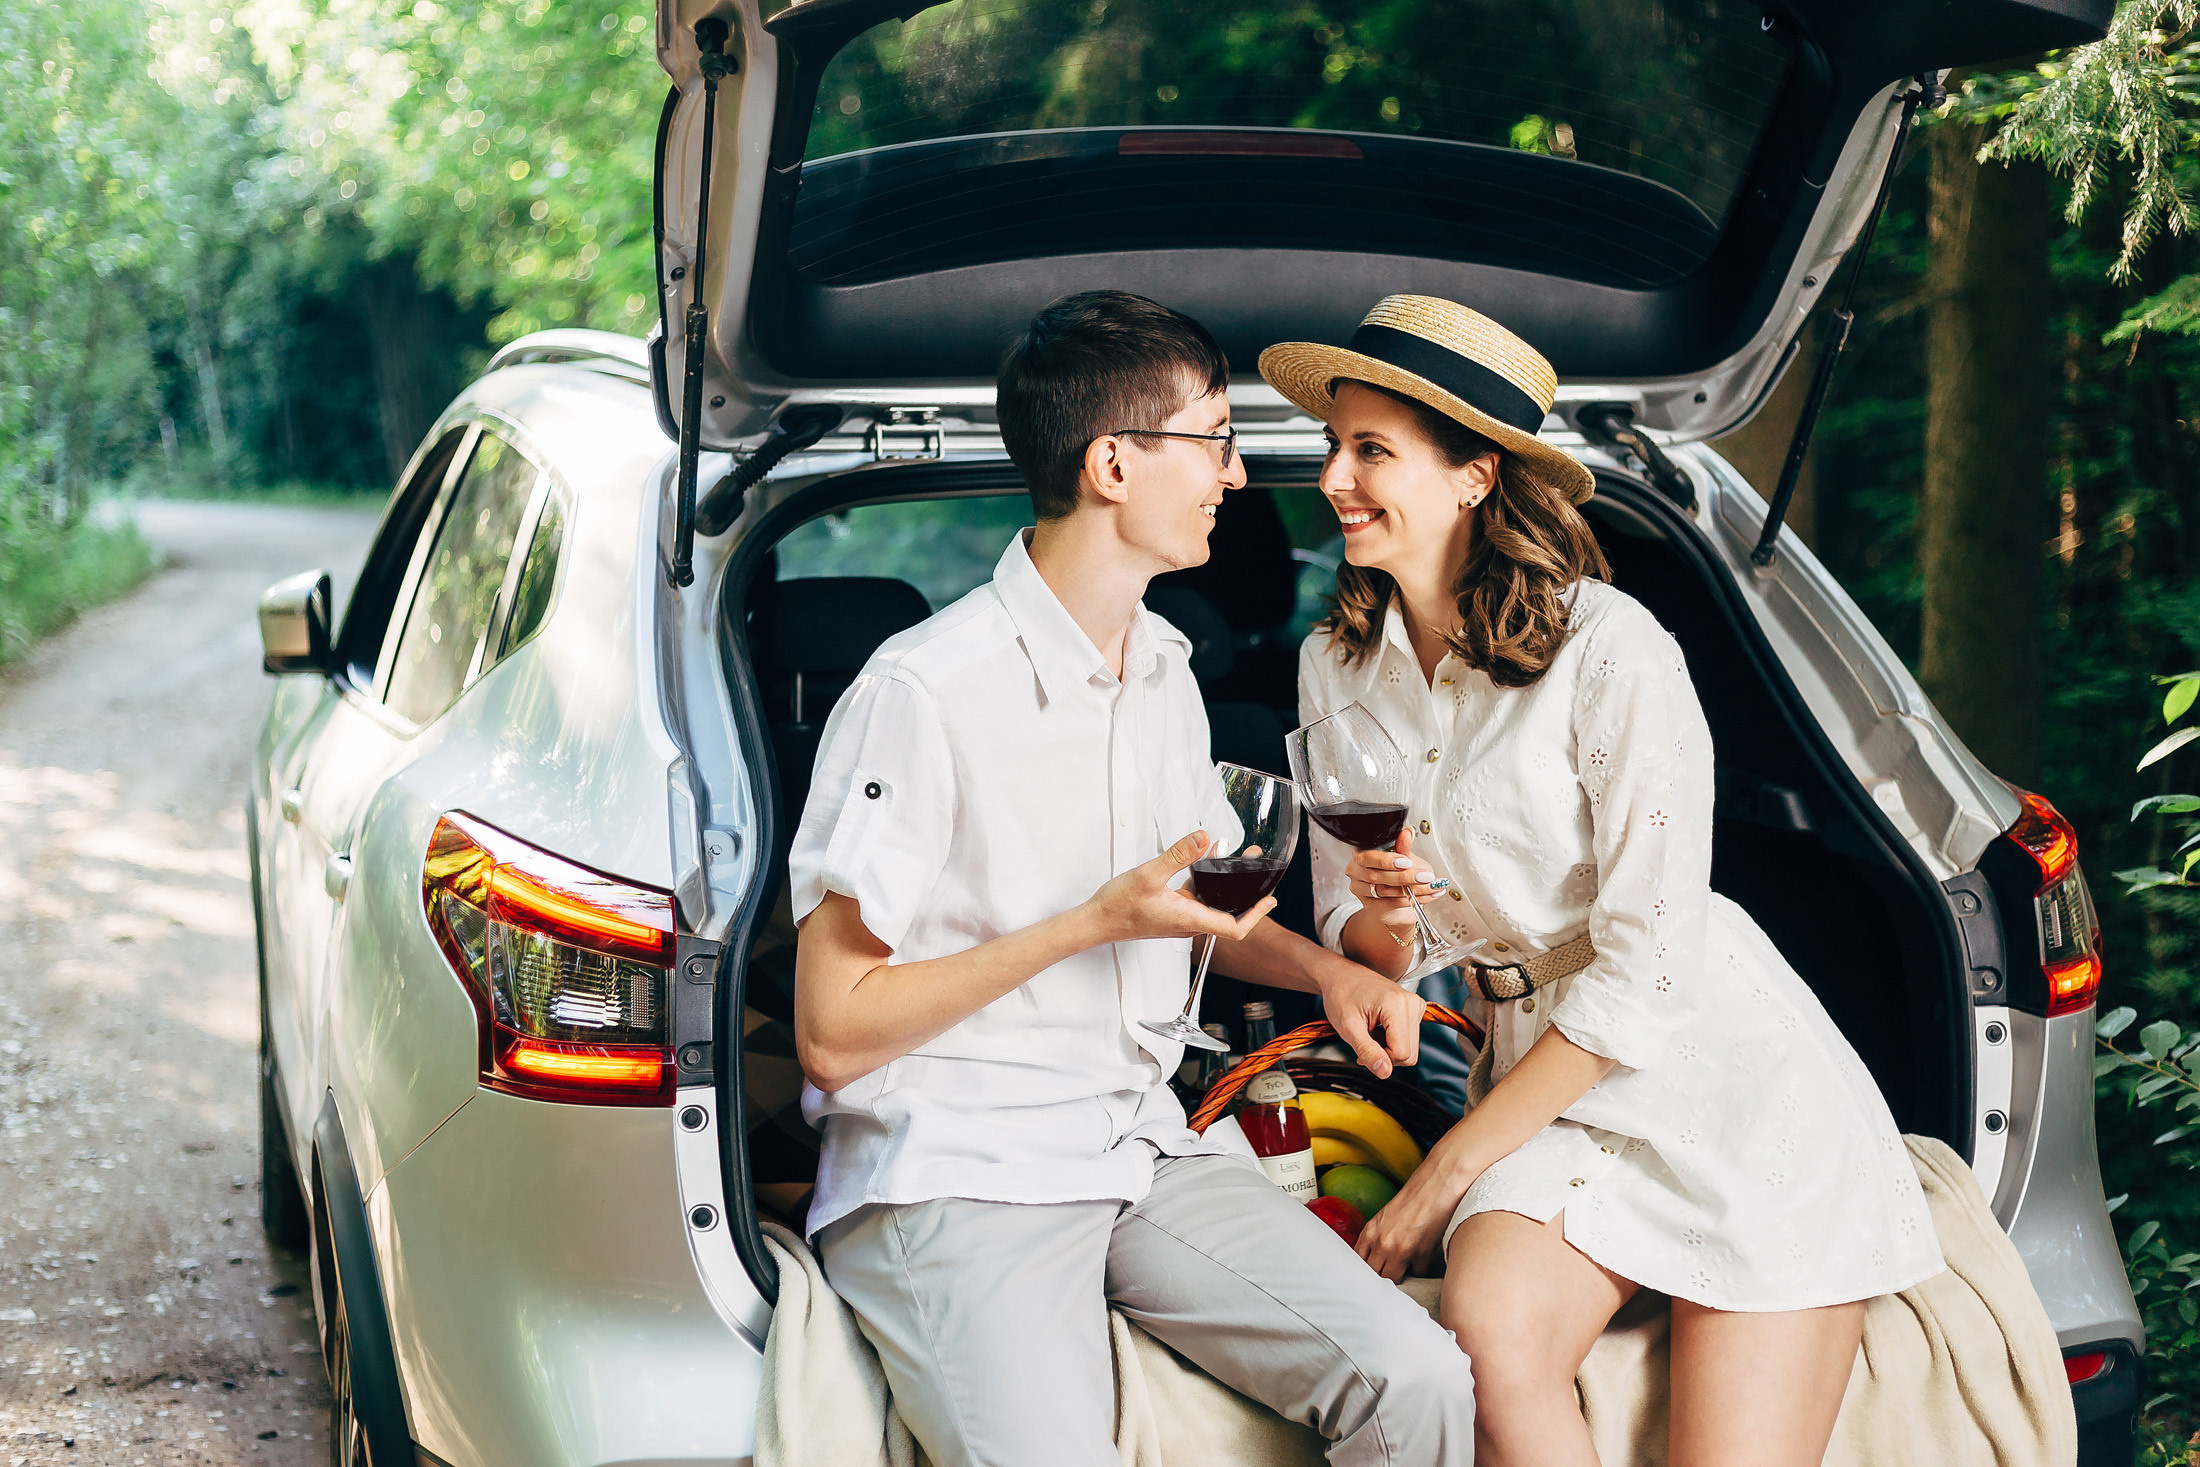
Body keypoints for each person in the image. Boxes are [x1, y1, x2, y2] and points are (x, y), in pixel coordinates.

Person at [789, 289, 1477, 1467]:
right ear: (1112, 463)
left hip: (1137, 1150)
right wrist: (1085, 925)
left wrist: (1328, 973)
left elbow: (1197, 906)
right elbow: (833, 1036)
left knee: (1414, 1382)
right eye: (1212, 439)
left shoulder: (1164, 667)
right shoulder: (923, 695)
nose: (1237, 472)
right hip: (959, 1171)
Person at [1265, 295, 1944, 1467]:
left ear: (1475, 476)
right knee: (1487, 1348)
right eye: (1335, 445)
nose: (1333, 476)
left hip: (1724, 1076)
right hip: (1537, 1081)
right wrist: (1376, 918)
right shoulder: (1334, 666)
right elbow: (1375, 953)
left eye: (1370, 449)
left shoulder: (1613, 649)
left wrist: (1449, 1168)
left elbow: (1645, 975)